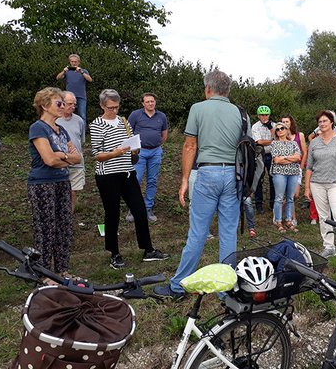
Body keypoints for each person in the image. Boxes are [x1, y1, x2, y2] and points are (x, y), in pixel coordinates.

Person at [154, 69, 248, 300]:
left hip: (207, 173)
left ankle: (178, 286)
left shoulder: (198, 108)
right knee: (228, 234)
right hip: (234, 176)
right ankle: (226, 290)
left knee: (197, 232)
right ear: (227, 90)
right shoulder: (240, 112)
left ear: (208, 89)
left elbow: (189, 146)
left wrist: (185, 180)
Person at [89, 89, 169, 270]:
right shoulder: (96, 125)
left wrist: (135, 149)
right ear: (102, 106)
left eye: (117, 107)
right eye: (110, 108)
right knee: (113, 213)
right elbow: (97, 155)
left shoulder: (124, 121)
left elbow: (132, 143)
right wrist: (115, 153)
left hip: (127, 172)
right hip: (107, 175)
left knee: (140, 211)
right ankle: (114, 253)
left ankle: (148, 250)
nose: (114, 111)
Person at [28, 87, 82, 280]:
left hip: (62, 181)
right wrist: (64, 157)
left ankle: (62, 270)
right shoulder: (38, 128)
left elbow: (78, 157)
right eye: (58, 103)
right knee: (46, 227)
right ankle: (43, 274)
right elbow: (49, 160)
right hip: (42, 184)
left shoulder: (62, 130)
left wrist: (62, 156)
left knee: (64, 226)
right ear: (44, 105)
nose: (62, 107)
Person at [304, 110, 336, 263]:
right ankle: (329, 247)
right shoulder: (314, 142)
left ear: (332, 122)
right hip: (317, 183)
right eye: (320, 122)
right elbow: (309, 167)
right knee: (324, 217)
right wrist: (306, 187)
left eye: (325, 121)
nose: (322, 124)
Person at [126, 92, 169, 223]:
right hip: (140, 152)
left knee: (152, 180)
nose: (150, 103)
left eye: (152, 101)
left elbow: (164, 135)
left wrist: (155, 145)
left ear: (155, 102)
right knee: (136, 180)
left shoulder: (161, 116)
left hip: (155, 152)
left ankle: (148, 208)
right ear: (143, 103)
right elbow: (128, 131)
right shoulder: (135, 115)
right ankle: (133, 208)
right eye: (147, 101)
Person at [55, 91, 85, 212]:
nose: (72, 106)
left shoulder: (79, 120)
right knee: (59, 192)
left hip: (76, 162)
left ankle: (69, 217)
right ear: (61, 103)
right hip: (59, 162)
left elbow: (81, 140)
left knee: (72, 192)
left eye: (74, 104)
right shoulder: (54, 120)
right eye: (69, 104)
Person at [270, 122, 301, 232]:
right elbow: (276, 160)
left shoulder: (294, 144)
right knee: (279, 198)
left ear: (287, 129)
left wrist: (284, 158)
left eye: (282, 128)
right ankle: (278, 221)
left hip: (293, 173)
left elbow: (298, 157)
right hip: (279, 174)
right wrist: (290, 158)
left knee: (290, 198)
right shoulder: (274, 144)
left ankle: (288, 220)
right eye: (277, 129)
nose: (280, 130)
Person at [280, 114, 307, 226]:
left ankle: (278, 209)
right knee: (290, 195)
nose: (285, 123)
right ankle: (291, 218)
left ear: (291, 122)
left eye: (287, 121)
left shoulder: (299, 135)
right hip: (285, 169)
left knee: (295, 195)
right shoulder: (281, 137)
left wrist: (301, 167)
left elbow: (304, 152)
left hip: (297, 168)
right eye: (283, 122)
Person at [56, 54, 93, 127]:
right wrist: (63, 71)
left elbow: (90, 80)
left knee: (82, 116)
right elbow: (58, 78)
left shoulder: (83, 71)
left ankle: (82, 135)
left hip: (81, 96)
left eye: (75, 62)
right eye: (72, 61)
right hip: (68, 98)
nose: (74, 63)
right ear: (70, 62)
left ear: (79, 62)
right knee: (66, 114)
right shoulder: (67, 71)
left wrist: (81, 72)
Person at [252, 105, 275, 213]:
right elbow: (259, 141)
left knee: (273, 179)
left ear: (269, 115)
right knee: (259, 179)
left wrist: (271, 128)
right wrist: (273, 141)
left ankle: (273, 203)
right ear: (258, 116)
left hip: (272, 154)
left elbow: (279, 137)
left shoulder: (274, 125)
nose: (264, 117)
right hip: (260, 154)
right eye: (262, 115)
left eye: (266, 114)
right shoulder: (255, 127)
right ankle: (258, 204)